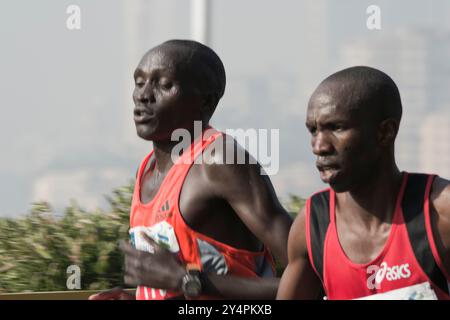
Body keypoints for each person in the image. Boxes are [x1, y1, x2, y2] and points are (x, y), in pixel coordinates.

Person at [89, 39, 292, 300]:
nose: (143, 95)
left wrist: (185, 280)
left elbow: (312, 277)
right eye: (139, 82)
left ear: (205, 102)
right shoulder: (146, 169)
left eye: (164, 85)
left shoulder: (219, 160)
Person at [277, 66, 450, 300]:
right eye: (313, 130)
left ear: (385, 132)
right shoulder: (311, 226)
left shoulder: (439, 212)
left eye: (336, 128)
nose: (319, 146)